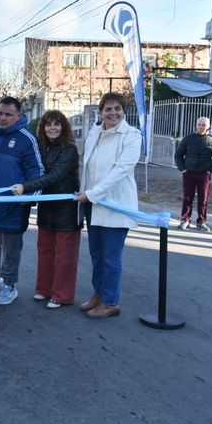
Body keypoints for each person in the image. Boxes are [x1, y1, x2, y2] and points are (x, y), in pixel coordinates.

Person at [74, 93, 141, 319]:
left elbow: (120, 171)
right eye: (108, 109)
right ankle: (99, 294)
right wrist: (86, 193)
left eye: (117, 108)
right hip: (92, 203)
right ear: (100, 112)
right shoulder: (94, 132)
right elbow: (86, 165)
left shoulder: (132, 136)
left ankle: (111, 301)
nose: (113, 113)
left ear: (124, 111)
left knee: (111, 257)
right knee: (96, 254)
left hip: (115, 205)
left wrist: (91, 194)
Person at [0, 97, 44, 306]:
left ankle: (9, 285)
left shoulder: (27, 138)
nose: (2, 118)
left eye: (8, 114)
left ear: (19, 116)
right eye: (0, 113)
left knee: (11, 250)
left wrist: (30, 198)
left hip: (12, 207)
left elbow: (36, 171)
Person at [11, 110, 81, 309]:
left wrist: (26, 187)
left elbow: (54, 176)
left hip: (66, 209)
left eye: (56, 124)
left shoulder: (70, 150)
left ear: (63, 127)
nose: (52, 128)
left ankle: (62, 295)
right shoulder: (42, 148)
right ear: (42, 128)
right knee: (45, 251)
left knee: (65, 256)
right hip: (47, 207)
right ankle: (44, 289)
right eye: (48, 124)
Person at [174, 116, 212, 232]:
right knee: (187, 197)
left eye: (203, 125)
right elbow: (178, 154)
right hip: (189, 173)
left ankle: (201, 222)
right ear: (196, 125)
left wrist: (211, 170)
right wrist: (182, 168)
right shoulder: (188, 138)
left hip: (204, 174)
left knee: (203, 199)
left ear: (208, 127)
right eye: (199, 124)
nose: (200, 127)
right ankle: (185, 219)